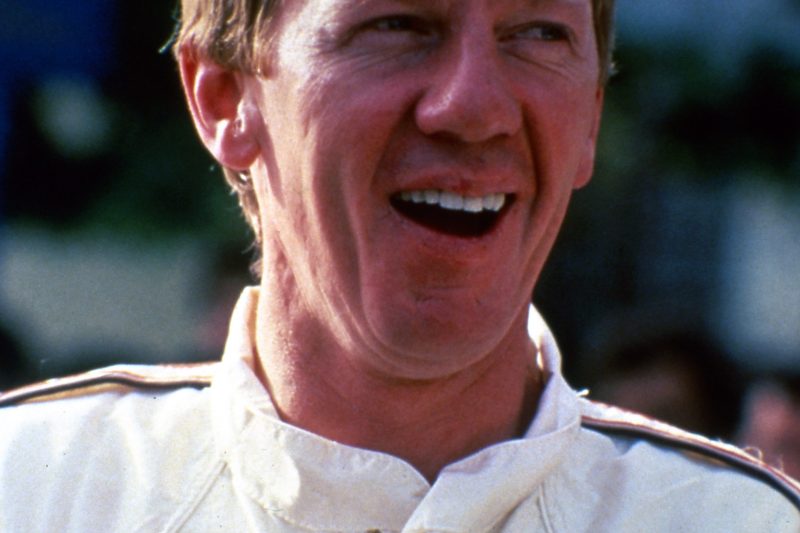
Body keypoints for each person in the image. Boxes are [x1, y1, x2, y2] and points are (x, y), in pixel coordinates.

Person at [0, 0, 798, 531]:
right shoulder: (33, 492)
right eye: (397, 24)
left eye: (538, 33)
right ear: (223, 97)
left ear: (590, 113)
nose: (475, 107)